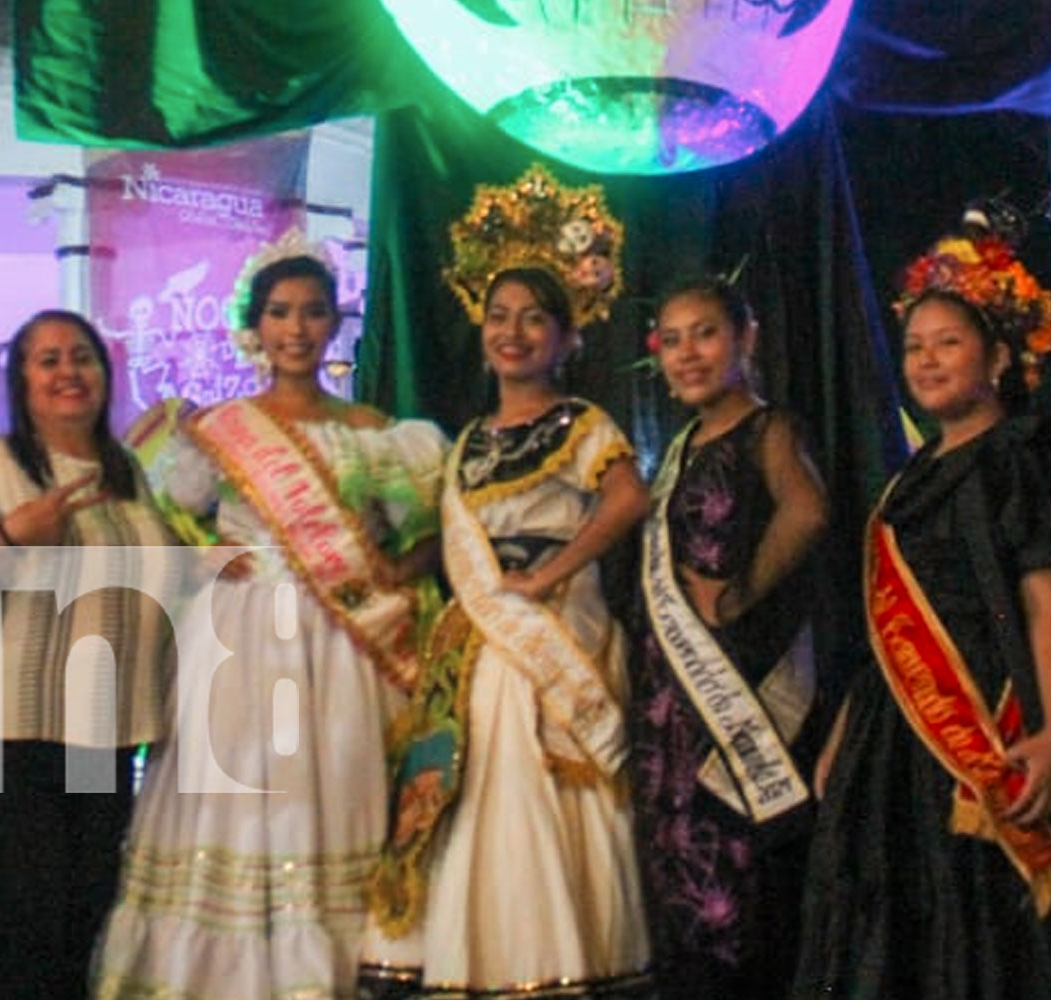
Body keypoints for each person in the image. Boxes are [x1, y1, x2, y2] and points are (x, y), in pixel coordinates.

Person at [92, 233, 448, 1000]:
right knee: (235, 797)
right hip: (241, 635)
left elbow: (429, 538)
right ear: (254, 326)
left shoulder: (377, 432)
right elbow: (163, 530)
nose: (296, 329)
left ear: (333, 324)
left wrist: (398, 569)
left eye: (313, 312)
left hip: (340, 643)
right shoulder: (214, 431)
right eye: (281, 313)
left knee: (333, 791)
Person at [358, 266, 655, 998]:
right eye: (499, 315)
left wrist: (555, 572)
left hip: (551, 628)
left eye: (532, 318)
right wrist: (398, 566)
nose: (511, 332)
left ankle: (553, 961)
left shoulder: (582, 424)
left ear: (566, 337)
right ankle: (479, 960)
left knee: (534, 778)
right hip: (479, 633)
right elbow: (455, 538)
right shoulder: (467, 441)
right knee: (471, 782)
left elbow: (627, 499)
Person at [793, 215, 1051, 999]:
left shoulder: (1020, 459)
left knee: (970, 924)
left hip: (985, 729)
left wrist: (1050, 734)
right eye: (914, 345)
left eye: (949, 342)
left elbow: (1044, 603)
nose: (927, 359)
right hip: (889, 733)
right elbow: (883, 632)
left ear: (1000, 357)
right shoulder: (904, 483)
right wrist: (842, 734)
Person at [0, 309, 175, 999]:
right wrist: (13, 534)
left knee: (84, 923)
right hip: (8, 732)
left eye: (82, 356)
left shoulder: (135, 474)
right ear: (21, 381)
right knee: (22, 930)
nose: (68, 371)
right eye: (48, 360)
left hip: (104, 731)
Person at [628, 277, 830, 1000]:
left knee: (735, 884)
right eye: (672, 340)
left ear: (745, 338)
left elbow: (808, 511)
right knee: (676, 881)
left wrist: (743, 592)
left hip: (733, 694)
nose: (687, 354)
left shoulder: (767, 429)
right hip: (668, 706)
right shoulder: (679, 446)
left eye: (705, 334)